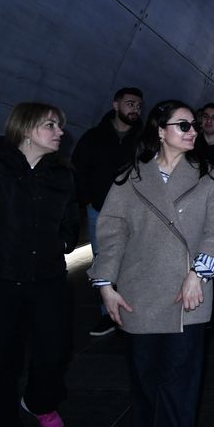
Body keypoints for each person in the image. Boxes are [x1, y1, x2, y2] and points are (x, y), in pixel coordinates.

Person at [87, 100, 214, 427]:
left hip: (189, 296)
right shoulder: (129, 178)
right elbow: (112, 233)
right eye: (183, 124)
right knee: (146, 387)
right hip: (138, 296)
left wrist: (197, 274)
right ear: (160, 131)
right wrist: (105, 285)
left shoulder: (210, 176)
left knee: (178, 391)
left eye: (194, 124)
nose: (193, 129)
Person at [0, 103, 80, 427]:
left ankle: (39, 400)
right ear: (24, 129)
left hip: (47, 278)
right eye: (50, 125)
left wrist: (64, 241)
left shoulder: (61, 175)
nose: (60, 132)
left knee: (55, 349)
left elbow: (71, 217)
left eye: (59, 125)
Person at [73, 86, 143, 336]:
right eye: (130, 104)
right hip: (100, 210)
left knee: (135, 260)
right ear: (116, 105)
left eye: (138, 105)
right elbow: (79, 169)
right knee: (104, 262)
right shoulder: (94, 136)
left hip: (135, 212)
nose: (135, 109)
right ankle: (109, 314)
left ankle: (134, 310)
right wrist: (89, 200)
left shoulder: (144, 139)